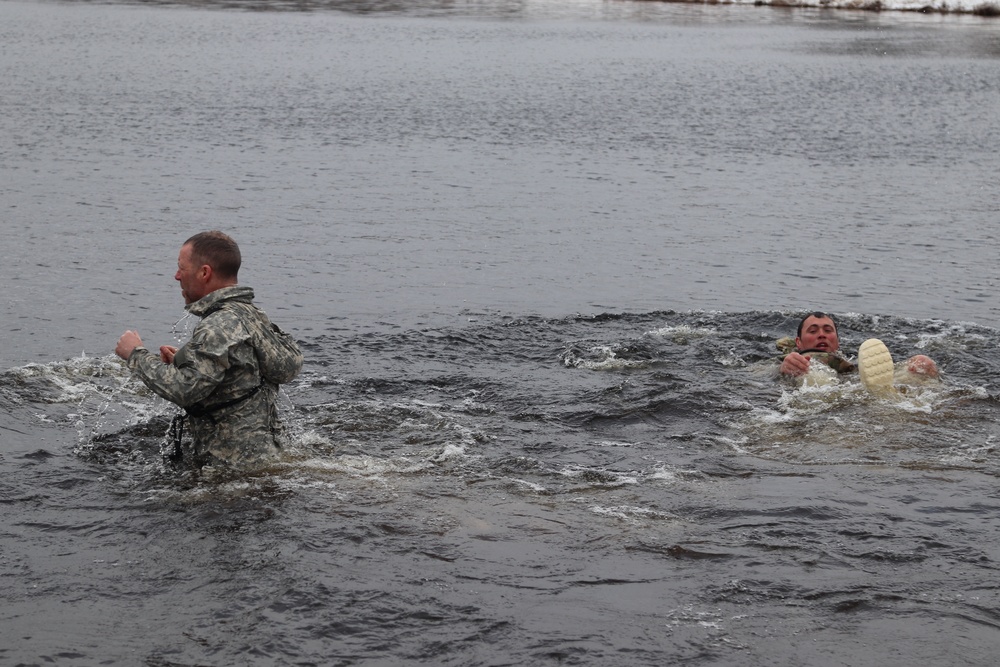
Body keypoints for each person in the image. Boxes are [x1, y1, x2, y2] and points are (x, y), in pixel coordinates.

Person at [114, 231, 303, 467]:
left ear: (204, 273)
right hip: (265, 455)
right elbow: (255, 372)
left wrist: (135, 354)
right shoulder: (250, 314)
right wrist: (186, 360)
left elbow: (185, 389)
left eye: (181, 268)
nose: (176, 276)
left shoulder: (218, 325)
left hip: (230, 467)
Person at [778, 311, 938, 380]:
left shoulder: (853, 365)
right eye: (813, 331)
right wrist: (783, 370)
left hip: (853, 385)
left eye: (828, 330)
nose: (822, 334)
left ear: (837, 341)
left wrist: (919, 368)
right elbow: (757, 374)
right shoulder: (783, 362)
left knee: (923, 363)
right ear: (798, 342)